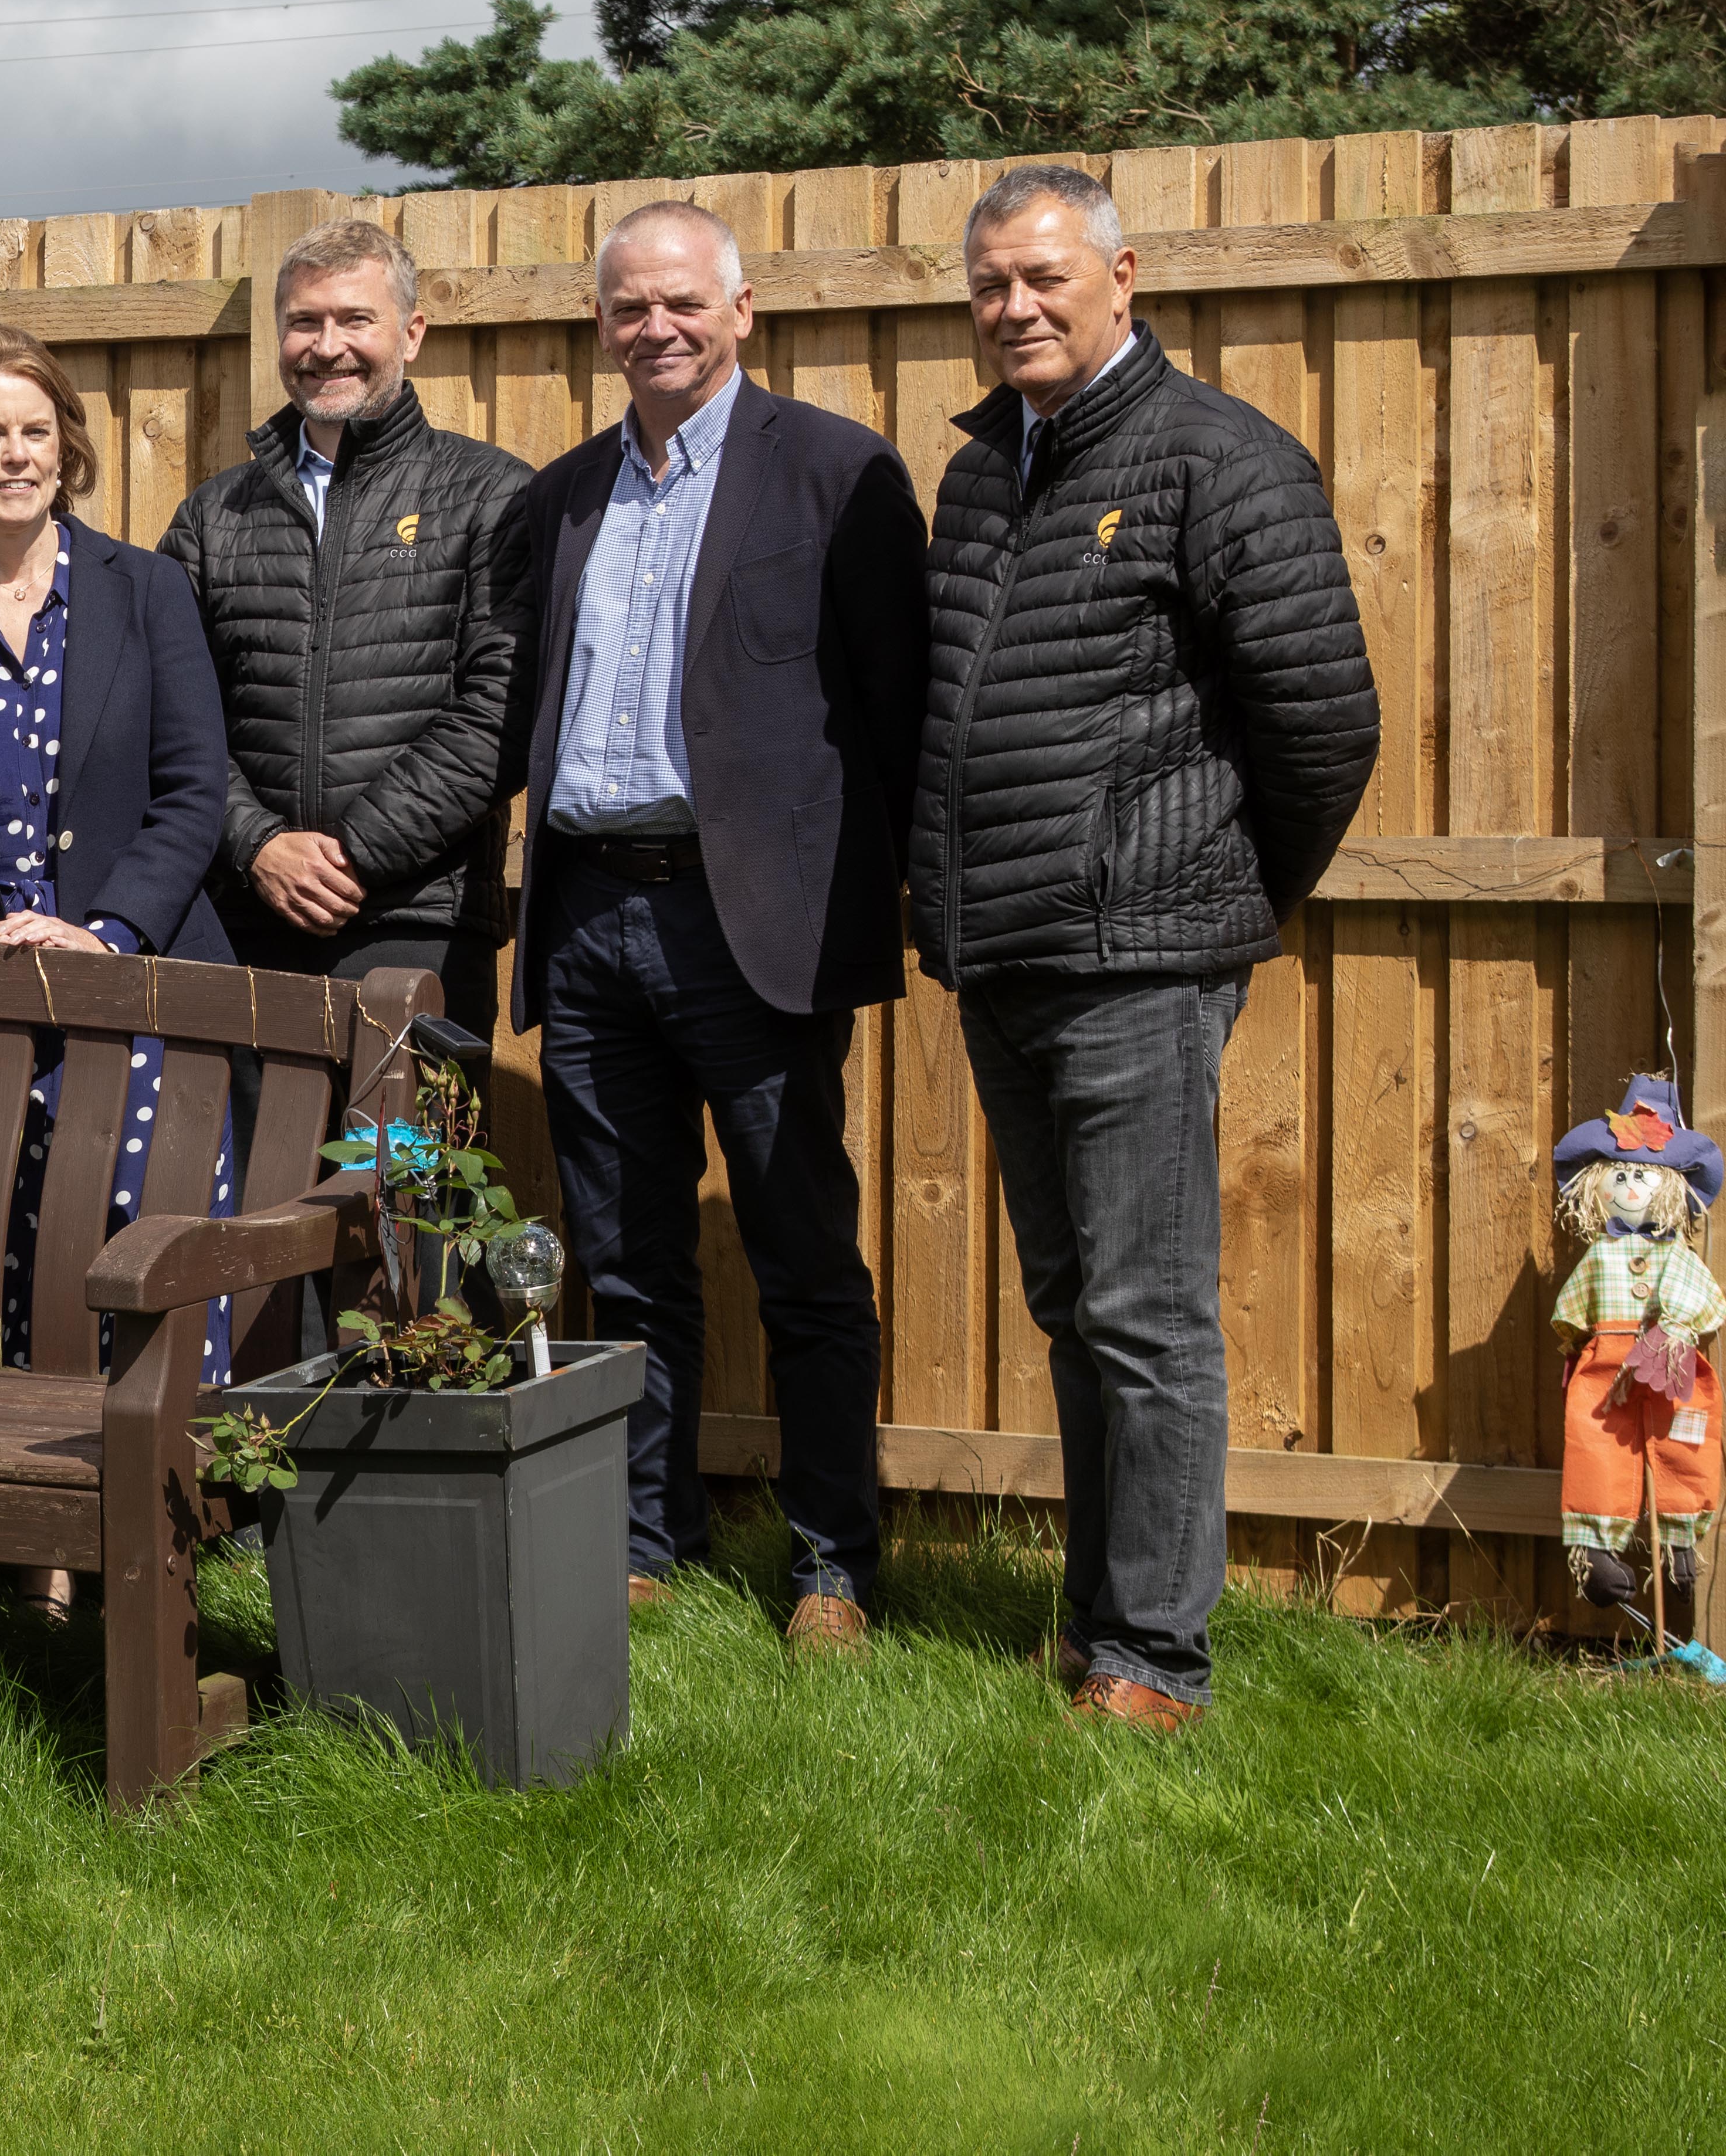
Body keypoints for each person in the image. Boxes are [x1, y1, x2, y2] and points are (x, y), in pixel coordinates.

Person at [914, 161, 1378, 1734]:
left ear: (1126, 275)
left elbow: (1323, 725)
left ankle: (1157, 1662)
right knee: (1074, 1303)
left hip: (1141, 957)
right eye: (991, 286)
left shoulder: (1219, 461)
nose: (1017, 307)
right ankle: (1097, 1622)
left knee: (1150, 1312)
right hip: (1009, 954)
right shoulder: (983, 475)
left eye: (1046, 277)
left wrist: (1213, 892)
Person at [498, 202, 928, 1650]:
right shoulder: (556, 501)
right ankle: (645, 1534)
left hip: (753, 928)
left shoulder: (835, 474)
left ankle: (831, 1564)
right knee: (622, 1261)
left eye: (684, 302)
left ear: (743, 311)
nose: (657, 328)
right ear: (601, 324)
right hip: (588, 918)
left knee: (802, 1253)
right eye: (630, 308)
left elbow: (896, 721)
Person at [0, 323, 233, 1370]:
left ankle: (175, 1504)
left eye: (37, 430)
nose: (17, 454)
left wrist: (104, 935)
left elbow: (194, 789)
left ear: (66, 448)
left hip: (137, 985)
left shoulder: (145, 591)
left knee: (142, 1241)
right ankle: (5, 1511)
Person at [158, 216, 529, 1032]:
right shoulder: (213, 518)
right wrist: (257, 847)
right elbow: (165, 712)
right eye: (305, 322)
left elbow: (503, 708)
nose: (328, 347)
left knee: (415, 1165)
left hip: (419, 922)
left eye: (355, 320)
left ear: (412, 332)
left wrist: (353, 854)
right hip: (243, 920)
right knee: (255, 1164)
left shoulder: (491, 497)